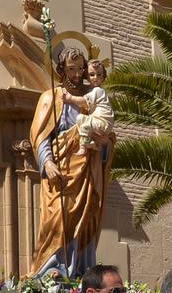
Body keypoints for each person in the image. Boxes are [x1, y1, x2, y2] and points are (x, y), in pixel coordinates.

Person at [29, 48, 115, 276]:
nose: (77, 74)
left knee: (85, 220)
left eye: (80, 69)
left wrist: (104, 143)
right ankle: (50, 271)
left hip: (87, 168)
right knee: (57, 218)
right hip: (62, 170)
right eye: (71, 69)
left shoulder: (94, 96)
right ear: (61, 70)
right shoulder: (51, 97)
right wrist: (47, 162)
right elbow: (40, 136)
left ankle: (79, 272)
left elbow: (107, 132)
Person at [72, 58, 115, 149]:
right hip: (98, 121)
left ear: (103, 77)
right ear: (87, 77)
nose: (96, 78)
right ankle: (90, 142)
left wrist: (70, 98)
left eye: (99, 75)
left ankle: (84, 145)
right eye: (92, 75)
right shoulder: (93, 90)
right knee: (80, 118)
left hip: (103, 122)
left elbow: (84, 101)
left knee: (85, 125)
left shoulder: (98, 90)